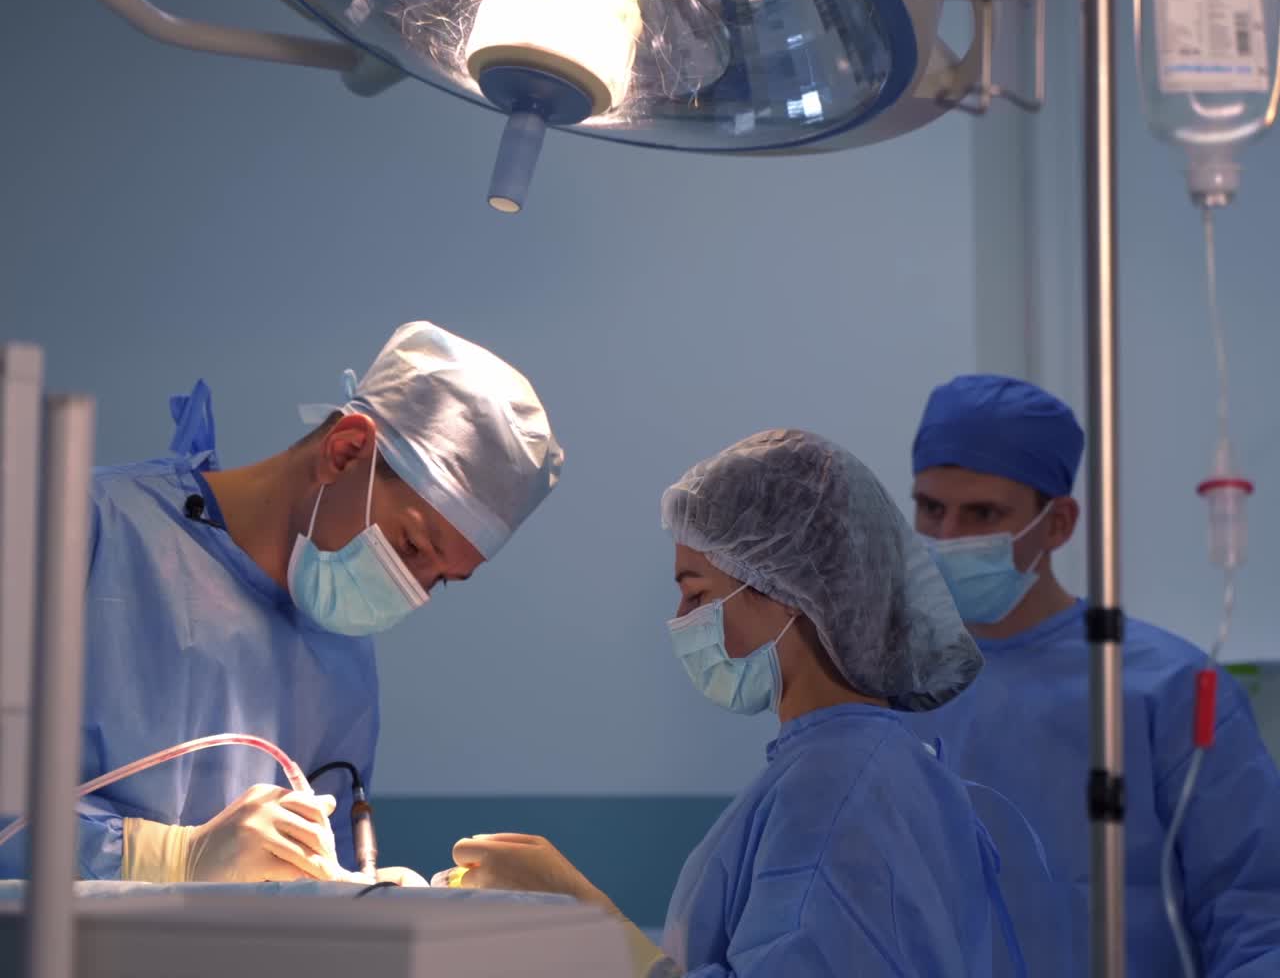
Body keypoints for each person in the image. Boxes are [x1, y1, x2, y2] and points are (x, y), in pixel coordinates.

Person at [432, 428, 1029, 977]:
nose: (681, 622)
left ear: (791, 590)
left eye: (696, 594)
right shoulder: (851, 769)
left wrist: (578, 923)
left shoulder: (837, 789)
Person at [0, 320, 562, 885]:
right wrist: (164, 857)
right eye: (412, 546)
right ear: (345, 453)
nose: (409, 591)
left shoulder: (341, 659)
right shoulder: (78, 530)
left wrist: (349, 898)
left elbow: (302, 889)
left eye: (440, 581)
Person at [910, 373, 1280, 976]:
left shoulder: (1165, 688)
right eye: (930, 508)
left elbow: (1257, 914)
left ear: (1057, 524)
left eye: (982, 513)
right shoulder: (887, 684)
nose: (948, 538)